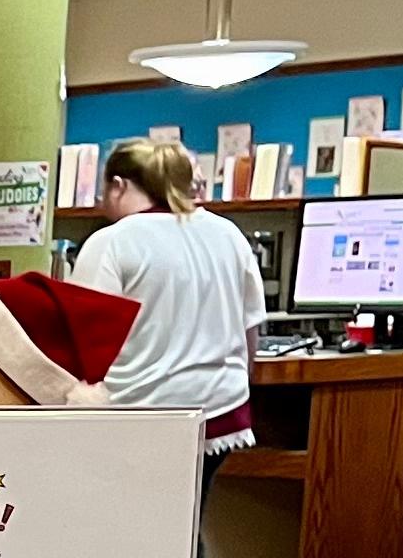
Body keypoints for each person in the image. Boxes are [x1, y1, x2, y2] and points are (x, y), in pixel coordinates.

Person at [68, 136, 266, 456]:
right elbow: (250, 329)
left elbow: (83, 339)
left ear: (118, 185)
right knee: (192, 505)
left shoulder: (112, 241)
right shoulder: (228, 233)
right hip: (223, 414)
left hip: (141, 419)